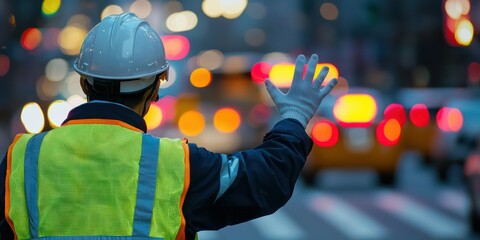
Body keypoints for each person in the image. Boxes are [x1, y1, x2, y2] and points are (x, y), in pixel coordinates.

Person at [0, 13, 337, 239]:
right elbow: (264, 179)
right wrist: (294, 117)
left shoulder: (23, 158)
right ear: (155, 89)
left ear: (85, 82)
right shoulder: (176, 165)